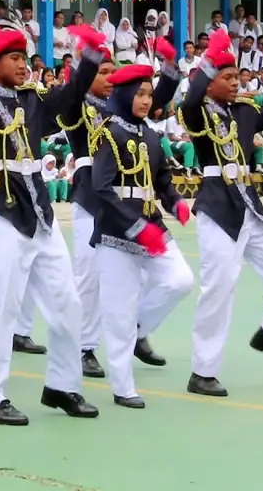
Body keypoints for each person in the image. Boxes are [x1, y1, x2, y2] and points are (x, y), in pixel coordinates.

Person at [0, 24, 105, 426]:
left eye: (23, 57)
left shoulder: (33, 100)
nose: (22, 65)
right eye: (13, 58)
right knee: (1, 306)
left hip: (41, 214)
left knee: (68, 304)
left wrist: (92, 55)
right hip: (4, 211)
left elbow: (71, 94)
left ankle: (63, 386)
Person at [177, 30, 263, 397]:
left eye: (238, 77)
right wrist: (208, 61)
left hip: (249, 205)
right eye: (227, 77)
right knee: (219, 287)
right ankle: (202, 372)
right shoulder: (198, 113)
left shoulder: (245, 111)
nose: (236, 83)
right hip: (218, 206)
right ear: (211, 81)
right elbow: (187, 103)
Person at [54, 42, 176, 378]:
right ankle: (85, 347)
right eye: (102, 71)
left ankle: (137, 329)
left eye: (112, 72)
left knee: (144, 273)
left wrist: (169, 69)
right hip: (91, 193)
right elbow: (71, 93)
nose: (109, 78)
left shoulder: (121, 105)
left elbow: (157, 99)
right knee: (89, 275)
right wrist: (84, 63)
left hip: (129, 200)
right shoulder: (78, 106)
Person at [91, 63, 195, 408]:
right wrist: (134, 227)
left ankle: (139, 329)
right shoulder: (108, 132)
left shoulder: (151, 135)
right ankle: (123, 386)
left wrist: (176, 202)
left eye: (149, 94)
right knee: (118, 308)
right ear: (122, 94)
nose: (146, 100)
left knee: (180, 280)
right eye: (139, 94)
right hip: (117, 231)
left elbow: (162, 178)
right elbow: (101, 188)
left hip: (152, 222)